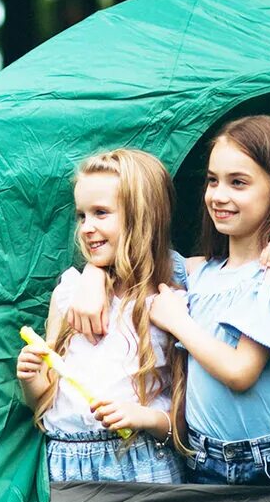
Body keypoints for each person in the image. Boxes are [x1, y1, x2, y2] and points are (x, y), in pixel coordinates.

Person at [146, 116, 270, 486]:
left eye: (238, 183)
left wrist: (179, 323)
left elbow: (241, 373)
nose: (219, 195)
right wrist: (91, 276)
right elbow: (135, 256)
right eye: (212, 180)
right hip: (204, 457)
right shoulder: (201, 271)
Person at [15, 149, 187, 482]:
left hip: (141, 461)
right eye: (82, 216)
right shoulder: (70, 292)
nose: (86, 228)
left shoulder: (168, 301)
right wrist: (31, 377)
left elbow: (183, 422)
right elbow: (48, 395)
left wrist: (144, 417)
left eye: (101, 213)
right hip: (65, 462)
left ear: (142, 217)